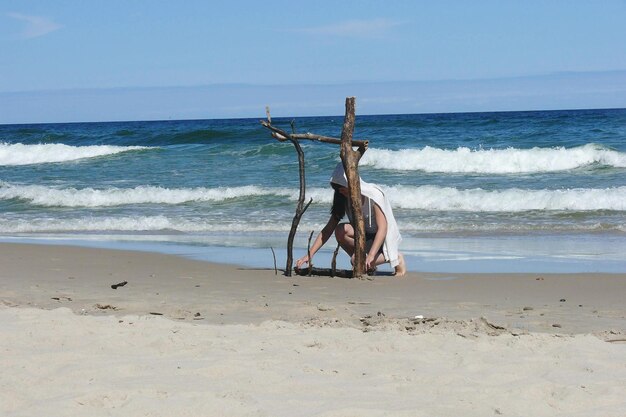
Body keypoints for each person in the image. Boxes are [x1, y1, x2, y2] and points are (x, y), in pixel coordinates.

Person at [296, 163, 406, 276]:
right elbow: (328, 229)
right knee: (340, 230)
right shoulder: (343, 198)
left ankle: (396, 257)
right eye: (336, 188)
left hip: (381, 241)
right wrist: (310, 255)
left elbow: (383, 229)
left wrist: (372, 255)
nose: (340, 191)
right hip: (363, 237)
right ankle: (363, 261)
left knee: (355, 261)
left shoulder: (374, 196)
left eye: (342, 187)